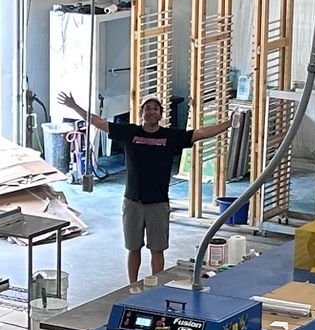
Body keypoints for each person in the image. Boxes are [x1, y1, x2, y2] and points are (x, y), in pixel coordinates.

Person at [59, 91, 232, 284]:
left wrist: (229, 124)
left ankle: (155, 287)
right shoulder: (130, 133)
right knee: (133, 248)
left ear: (161, 114)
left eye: (155, 109)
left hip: (158, 203)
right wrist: (74, 107)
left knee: (157, 249)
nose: (151, 112)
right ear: (141, 112)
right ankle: (132, 285)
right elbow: (99, 122)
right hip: (133, 201)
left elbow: (200, 133)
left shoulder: (170, 136)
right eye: (148, 108)